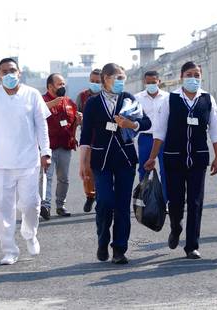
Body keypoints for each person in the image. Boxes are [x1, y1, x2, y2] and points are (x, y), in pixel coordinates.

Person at [0, 58, 51, 265]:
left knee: (31, 204)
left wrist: (46, 151)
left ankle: (29, 232)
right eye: (4, 71)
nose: (9, 74)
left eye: (12, 70)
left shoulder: (32, 95)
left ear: (20, 73)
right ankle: (9, 249)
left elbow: (41, 126)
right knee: (3, 207)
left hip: (28, 160)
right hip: (1, 163)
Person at [144, 61, 217, 259]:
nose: (193, 78)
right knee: (177, 201)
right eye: (189, 74)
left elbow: (215, 129)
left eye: (197, 75)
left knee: (196, 202)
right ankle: (175, 227)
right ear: (181, 76)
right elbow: (159, 131)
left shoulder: (207, 99)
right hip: (173, 158)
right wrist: (152, 157)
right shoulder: (170, 100)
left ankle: (192, 245)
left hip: (198, 158)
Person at [79, 63, 151, 264]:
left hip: (125, 159)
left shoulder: (128, 98)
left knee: (121, 205)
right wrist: (83, 163)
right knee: (105, 202)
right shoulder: (93, 103)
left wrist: (131, 124)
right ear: (105, 78)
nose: (121, 81)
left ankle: (119, 249)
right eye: (117, 77)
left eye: (123, 78)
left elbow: (146, 122)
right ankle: (103, 241)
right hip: (101, 160)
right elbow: (85, 136)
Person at [39, 73, 80, 220]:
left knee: (64, 179)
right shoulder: (41, 101)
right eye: (59, 84)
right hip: (47, 147)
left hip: (65, 146)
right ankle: (45, 206)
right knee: (46, 177)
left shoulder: (69, 102)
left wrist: (78, 121)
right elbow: (36, 113)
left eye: (63, 84)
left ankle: (60, 205)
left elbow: (73, 123)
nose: (62, 87)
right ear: (50, 86)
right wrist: (53, 103)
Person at [134, 70, 169, 203]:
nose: (151, 85)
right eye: (148, 83)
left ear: (159, 81)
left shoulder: (168, 97)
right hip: (146, 138)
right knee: (144, 169)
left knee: (165, 170)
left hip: (164, 139)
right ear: (144, 82)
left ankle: (165, 201)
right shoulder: (137, 98)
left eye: (153, 82)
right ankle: (146, 199)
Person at [75, 68, 102, 212]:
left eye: (98, 81)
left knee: (101, 169)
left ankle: (100, 196)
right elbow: (76, 116)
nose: (95, 83)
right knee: (87, 170)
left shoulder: (108, 96)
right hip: (87, 139)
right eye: (92, 81)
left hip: (103, 140)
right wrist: (79, 119)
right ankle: (89, 196)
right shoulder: (82, 96)